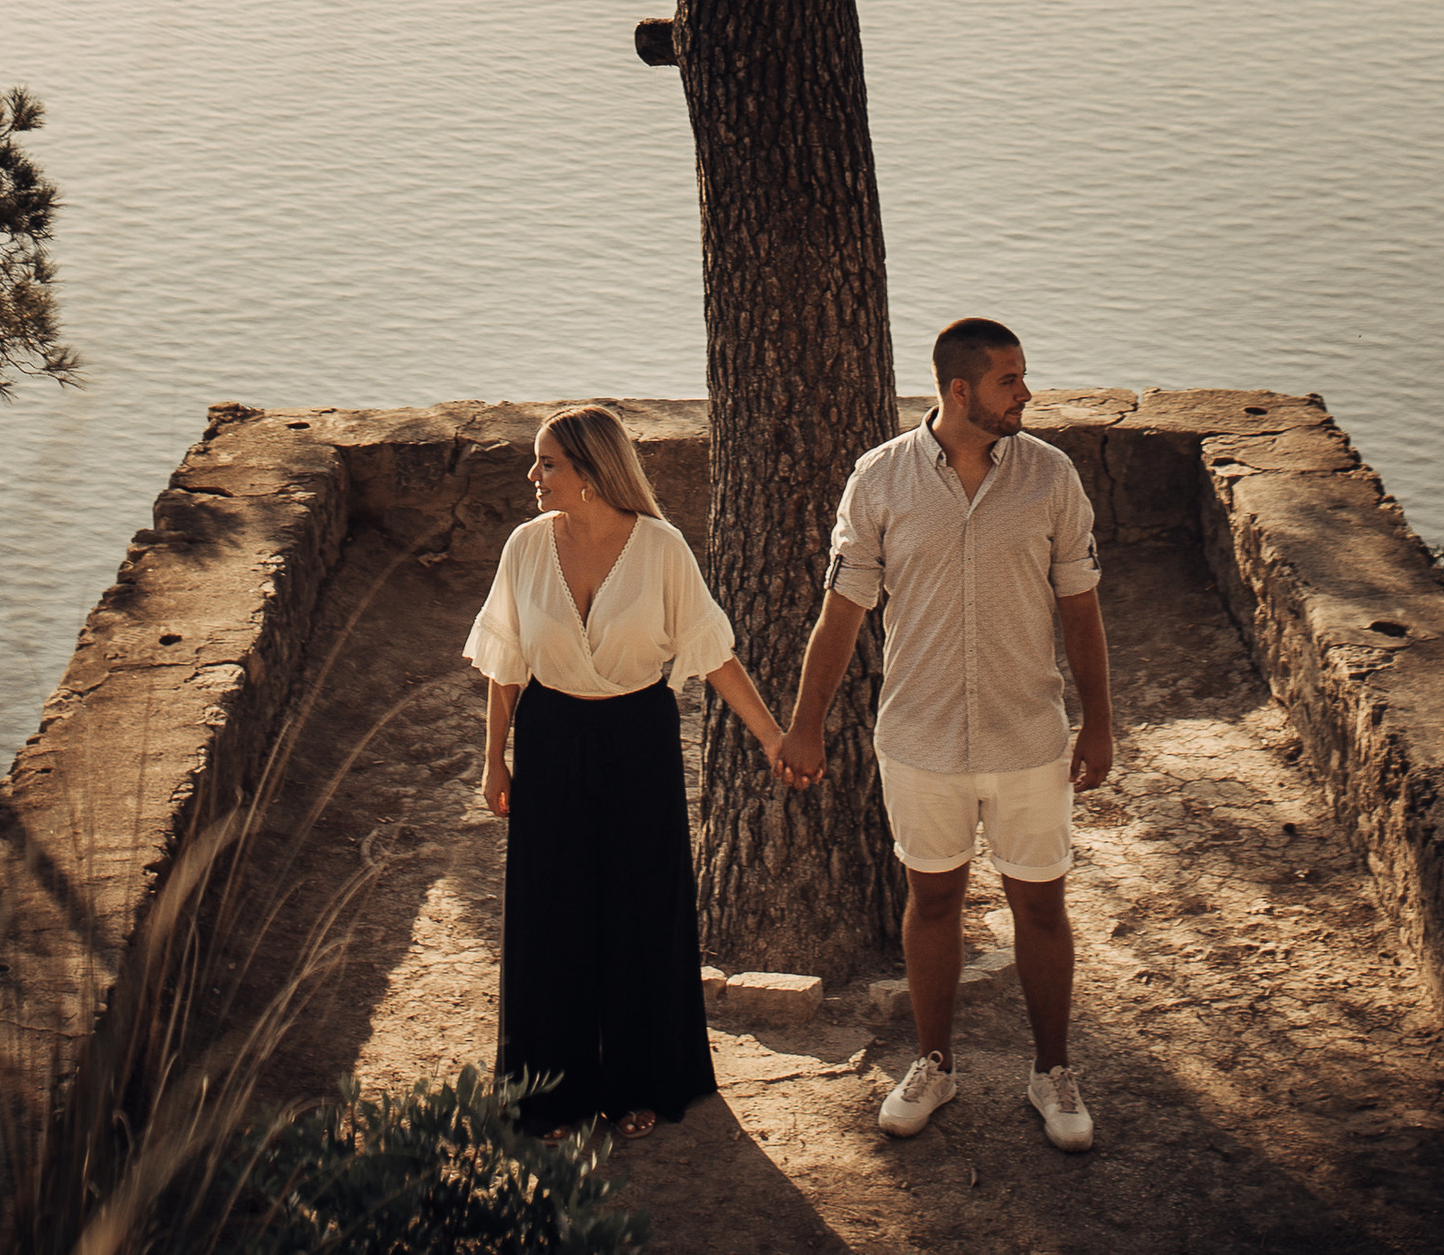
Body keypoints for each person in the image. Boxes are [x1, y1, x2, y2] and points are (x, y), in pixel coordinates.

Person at [779, 317, 1114, 1154]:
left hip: (1028, 734)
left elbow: (1081, 607)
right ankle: (934, 1063)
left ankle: (1053, 1071)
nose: (1027, 393)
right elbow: (843, 610)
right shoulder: (881, 480)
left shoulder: (1051, 477)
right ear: (959, 390)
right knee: (932, 901)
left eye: (1023, 377)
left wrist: (1101, 721)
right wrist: (805, 726)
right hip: (920, 737)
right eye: (1010, 380)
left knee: (1041, 904)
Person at [464, 403, 798, 1137]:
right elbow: (506, 663)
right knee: (550, 913)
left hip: (637, 738)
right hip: (549, 736)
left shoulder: (661, 548)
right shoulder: (525, 547)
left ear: (588, 473)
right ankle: (549, 1093)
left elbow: (711, 652)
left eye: (547, 462)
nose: (534, 475)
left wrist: (773, 737)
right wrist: (495, 759)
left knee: (640, 910)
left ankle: (640, 1083)